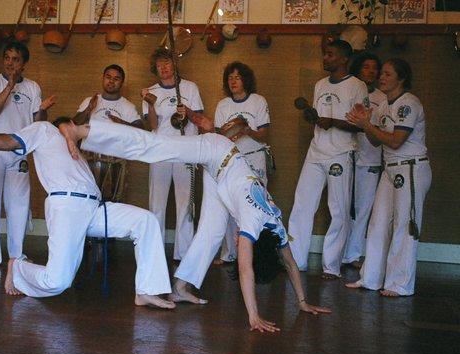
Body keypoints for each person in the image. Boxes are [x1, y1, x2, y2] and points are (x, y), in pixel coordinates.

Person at [58, 119, 331, 332]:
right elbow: (245, 269)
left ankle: (180, 287)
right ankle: (80, 131)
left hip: (223, 178)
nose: (237, 245)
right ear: (251, 243)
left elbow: (290, 263)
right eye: (243, 246)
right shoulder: (252, 222)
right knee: (155, 146)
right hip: (217, 150)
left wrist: (303, 303)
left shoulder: (277, 226)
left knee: (212, 232)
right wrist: (253, 316)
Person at [0, 117, 175, 309]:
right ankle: (19, 268)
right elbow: (12, 141)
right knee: (58, 282)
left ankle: (147, 290)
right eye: (74, 125)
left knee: (146, 220)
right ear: (66, 125)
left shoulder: (75, 149)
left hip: (95, 208)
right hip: (67, 206)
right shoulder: (43, 130)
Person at [345, 58, 431, 297]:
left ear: (401, 78)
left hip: (411, 167)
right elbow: (375, 140)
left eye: (387, 74)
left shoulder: (409, 104)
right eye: (382, 73)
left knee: (404, 225)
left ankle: (400, 284)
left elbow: (396, 140)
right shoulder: (383, 106)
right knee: (378, 222)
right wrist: (364, 123)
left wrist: (367, 125)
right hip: (390, 168)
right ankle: (370, 278)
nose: (381, 77)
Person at [287, 40, 369, 280]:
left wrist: (332, 122)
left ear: (344, 59)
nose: (325, 58)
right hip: (316, 151)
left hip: (340, 154)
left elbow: (361, 125)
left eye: (330, 55)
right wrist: (315, 118)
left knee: (338, 210)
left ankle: (331, 266)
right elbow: (319, 117)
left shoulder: (357, 86)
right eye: (325, 54)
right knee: (302, 204)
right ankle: (295, 261)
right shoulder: (320, 84)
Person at [0, 42, 56, 269]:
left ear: (24, 64)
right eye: (7, 58)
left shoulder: (32, 87)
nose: (10, 63)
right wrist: (9, 87)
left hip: (19, 150)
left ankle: (17, 254)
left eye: (16, 59)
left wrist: (43, 108)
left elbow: (38, 124)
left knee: (19, 203)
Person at [141, 48, 204, 261]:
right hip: (160, 151)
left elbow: (199, 120)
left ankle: (184, 253)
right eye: (159, 65)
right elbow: (152, 125)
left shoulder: (190, 87)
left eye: (167, 63)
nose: (164, 68)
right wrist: (150, 104)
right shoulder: (150, 91)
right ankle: (154, 251)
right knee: (156, 202)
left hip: (185, 150)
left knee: (185, 203)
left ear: (174, 65)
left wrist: (188, 112)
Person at [214, 61, 272, 265]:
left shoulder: (257, 101)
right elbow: (219, 136)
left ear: (245, 79)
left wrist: (246, 130)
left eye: (237, 77)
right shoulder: (223, 105)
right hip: (232, 159)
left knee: (256, 204)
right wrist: (232, 133)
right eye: (230, 78)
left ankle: (257, 253)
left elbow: (264, 135)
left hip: (254, 156)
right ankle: (229, 253)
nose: (233, 81)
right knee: (230, 205)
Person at [342, 53, 387, 269]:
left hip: (371, 158)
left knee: (363, 209)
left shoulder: (383, 98)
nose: (370, 71)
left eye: (374, 68)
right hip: (347, 154)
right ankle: (341, 252)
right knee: (344, 207)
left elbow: (383, 131)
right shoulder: (349, 89)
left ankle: (354, 254)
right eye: (366, 67)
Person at [73, 64, 143, 128]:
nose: (111, 81)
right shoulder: (89, 101)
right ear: (103, 79)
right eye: (108, 77)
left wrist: (122, 123)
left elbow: (141, 129)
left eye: (116, 79)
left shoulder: (128, 106)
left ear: (122, 83)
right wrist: (88, 109)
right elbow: (74, 124)